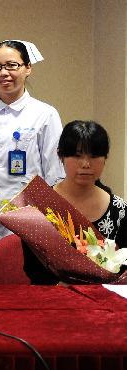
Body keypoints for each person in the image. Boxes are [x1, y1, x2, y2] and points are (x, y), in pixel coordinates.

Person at [0, 40, 63, 256]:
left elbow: (55, 174)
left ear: (28, 68)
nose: (4, 73)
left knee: (21, 281)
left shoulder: (45, 114)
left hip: (28, 217)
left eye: (12, 65)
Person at [23, 121, 127, 284]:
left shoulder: (119, 210)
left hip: (106, 302)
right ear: (60, 156)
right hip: (52, 300)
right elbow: (33, 268)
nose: (86, 164)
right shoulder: (40, 206)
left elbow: (123, 269)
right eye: (77, 155)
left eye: (94, 156)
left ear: (105, 158)